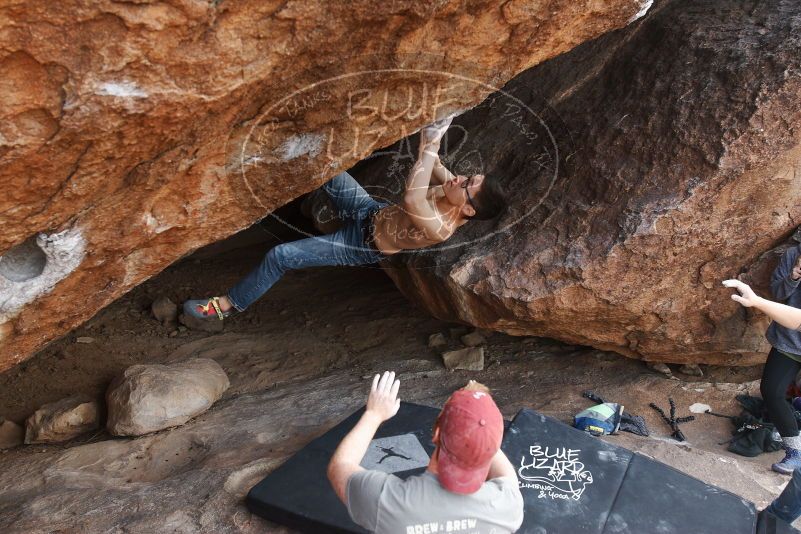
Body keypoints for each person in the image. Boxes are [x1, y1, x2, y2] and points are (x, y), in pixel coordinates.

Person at [183, 115, 507, 320]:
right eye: (468, 176)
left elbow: (412, 196)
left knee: (280, 255)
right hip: (369, 210)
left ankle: (225, 305)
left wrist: (430, 144)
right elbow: (433, 160)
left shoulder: (440, 228)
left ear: (468, 208)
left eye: (467, 184)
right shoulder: (453, 189)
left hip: (360, 245)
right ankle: (259, 151)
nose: (460, 178)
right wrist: (439, 123)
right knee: (325, 167)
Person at [326, 371, 524, 533]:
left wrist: (374, 414)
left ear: (437, 433)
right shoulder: (508, 505)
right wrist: (480, 421)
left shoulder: (388, 503)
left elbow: (340, 466)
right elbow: (505, 472)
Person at [724, 256, 801, 474]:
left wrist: (757, 301)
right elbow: (781, 296)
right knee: (771, 390)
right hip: (789, 341)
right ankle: (795, 454)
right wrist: (793, 277)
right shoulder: (794, 255)